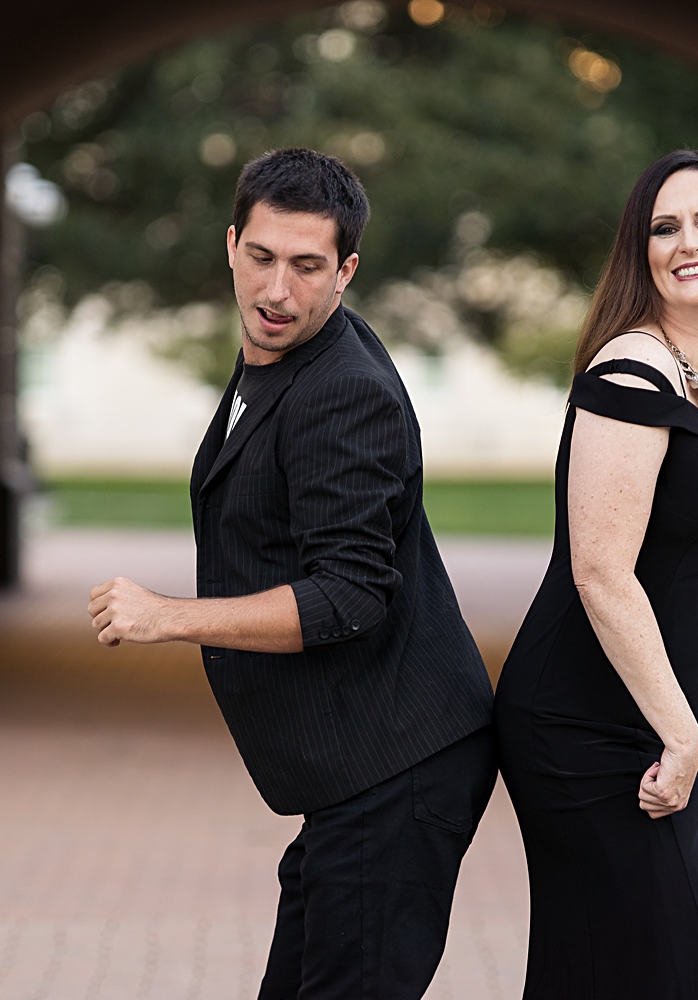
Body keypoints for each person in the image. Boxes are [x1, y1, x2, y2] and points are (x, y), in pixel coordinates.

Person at [88, 147, 497, 999]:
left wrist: (171, 616)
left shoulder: (344, 391)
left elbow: (351, 593)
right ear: (230, 244)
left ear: (345, 271)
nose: (278, 291)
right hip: (354, 776)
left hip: (396, 768)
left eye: (308, 267)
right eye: (263, 259)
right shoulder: (277, 357)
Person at [494, 149, 698, 999]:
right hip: (587, 722)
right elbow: (601, 572)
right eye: (664, 227)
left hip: (677, 720)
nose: (687, 242)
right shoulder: (626, 372)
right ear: (642, 253)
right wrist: (682, 733)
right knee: (671, 967)